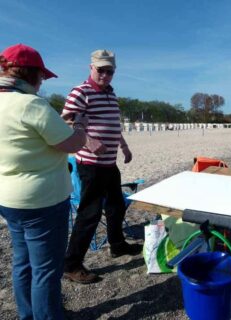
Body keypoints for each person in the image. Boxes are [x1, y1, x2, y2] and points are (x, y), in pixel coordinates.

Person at [0, 44, 87, 320]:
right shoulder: (31, 104)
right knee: (46, 270)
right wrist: (80, 127)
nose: (42, 83)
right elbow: (72, 143)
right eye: (42, 77)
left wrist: (57, 123)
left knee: (23, 262)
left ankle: (28, 314)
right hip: (43, 201)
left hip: (9, 199)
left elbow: (27, 136)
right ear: (32, 74)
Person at [62, 49, 142, 284]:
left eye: (110, 71)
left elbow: (113, 125)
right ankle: (71, 265)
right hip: (90, 164)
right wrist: (87, 140)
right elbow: (65, 120)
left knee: (117, 206)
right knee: (90, 214)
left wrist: (124, 147)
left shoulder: (111, 94)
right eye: (101, 70)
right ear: (91, 68)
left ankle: (117, 245)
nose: (105, 75)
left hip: (109, 164)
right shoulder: (81, 92)